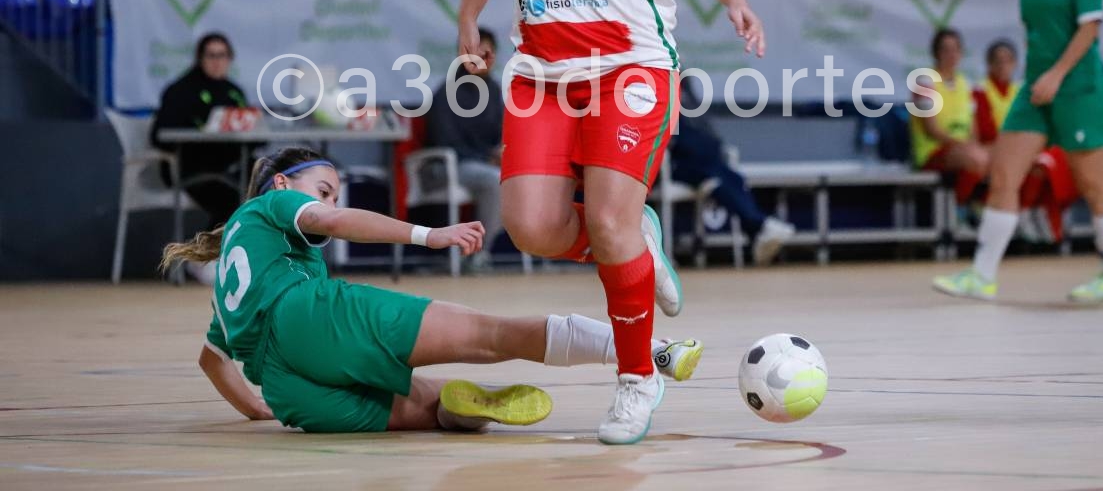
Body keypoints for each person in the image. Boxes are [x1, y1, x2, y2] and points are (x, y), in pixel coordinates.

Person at [455, 0, 765, 443]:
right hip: (540, 71)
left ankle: (636, 379)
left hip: (630, 67)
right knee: (531, 228)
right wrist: (467, 19)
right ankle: (637, 242)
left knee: (606, 217)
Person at [160, 147, 704, 434]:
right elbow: (344, 221)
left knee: (420, 410)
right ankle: (651, 353)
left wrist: (259, 409)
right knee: (491, 335)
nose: (327, 201)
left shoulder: (237, 266)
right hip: (306, 318)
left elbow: (212, 361)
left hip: (287, 392)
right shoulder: (268, 206)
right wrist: (429, 234)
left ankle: (456, 410)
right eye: (321, 190)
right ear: (282, 184)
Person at [934, 0, 1103, 303]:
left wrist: (1057, 75)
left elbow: (1089, 28)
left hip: (1077, 87)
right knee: (1003, 173)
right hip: (1036, 88)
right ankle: (981, 275)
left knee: (1094, 184)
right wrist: (1042, 77)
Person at [151, 32, 249, 282]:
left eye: (222, 55)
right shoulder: (180, 91)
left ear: (230, 59)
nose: (217, 61)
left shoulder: (234, 92)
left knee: (262, 183)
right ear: (200, 58)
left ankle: (257, 260)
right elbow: (160, 135)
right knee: (231, 195)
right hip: (192, 167)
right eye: (211, 55)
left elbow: (254, 132)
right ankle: (201, 258)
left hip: (229, 165)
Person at [670, 76, 796, 266]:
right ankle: (760, 227)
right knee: (723, 175)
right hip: (674, 164)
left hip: (701, 162)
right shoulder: (653, 89)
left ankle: (759, 229)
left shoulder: (686, 91)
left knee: (725, 179)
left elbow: (707, 132)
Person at [972, 38, 1078, 242]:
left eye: (1008, 60)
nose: (1003, 65)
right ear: (989, 64)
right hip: (997, 149)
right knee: (1027, 164)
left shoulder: (1022, 91)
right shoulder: (980, 90)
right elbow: (985, 131)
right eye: (998, 61)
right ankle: (1022, 212)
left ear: (1015, 63)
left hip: (1021, 149)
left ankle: (1036, 211)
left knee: (1053, 159)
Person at [426, 27, 508, 273]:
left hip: (482, 166)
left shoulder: (493, 90)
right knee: (495, 180)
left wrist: (500, 151)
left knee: (516, 180)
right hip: (447, 167)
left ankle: (475, 253)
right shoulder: (447, 91)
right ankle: (477, 253)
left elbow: (501, 135)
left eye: (488, 53)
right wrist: (488, 158)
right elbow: (445, 142)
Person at [910, 28, 990, 197]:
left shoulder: (964, 83)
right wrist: (965, 146)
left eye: (955, 49)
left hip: (961, 149)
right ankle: (961, 209)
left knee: (1005, 157)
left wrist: (973, 145)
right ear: (935, 53)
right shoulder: (924, 81)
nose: (951, 55)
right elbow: (931, 129)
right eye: (945, 49)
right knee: (977, 158)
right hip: (933, 152)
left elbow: (972, 128)